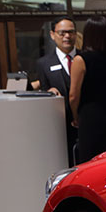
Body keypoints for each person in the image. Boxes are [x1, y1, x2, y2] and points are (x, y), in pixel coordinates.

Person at [68, 17, 106, 163]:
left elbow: (73, 95)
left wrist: (75, 116)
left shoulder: (80, 60)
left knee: (90, 164)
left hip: (90, 117)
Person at [32, 17, 79, 161]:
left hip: (86, 122)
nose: (67, 36)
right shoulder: (44, 63)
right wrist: (49, 92)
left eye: (71, 32)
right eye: (62, 33)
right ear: (52, 35)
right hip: (60, 125)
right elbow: (44, 90)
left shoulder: (86, 57)